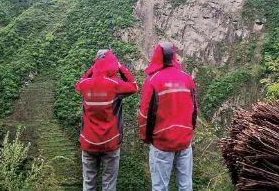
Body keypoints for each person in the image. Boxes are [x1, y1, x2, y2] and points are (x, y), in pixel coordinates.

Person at [75, 49, 138, 191]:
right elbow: (134, 85)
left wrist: (94, 68)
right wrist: (120, 67)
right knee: (109, 184)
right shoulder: (115, 85)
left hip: (89, 142)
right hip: (110, 143)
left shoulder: (84, 85)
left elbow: (80, 82)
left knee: (89, 183)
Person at [138, 42, 198, 191]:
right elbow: (194, 110)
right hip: (184, 141)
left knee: (160, 187)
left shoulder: (152, 80)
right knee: (185, 185)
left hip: (162, 142)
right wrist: (190, 132)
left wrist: (146, 137)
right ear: (174, 57)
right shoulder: (187, 78)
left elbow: (144, 113)